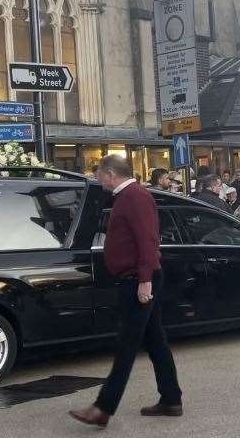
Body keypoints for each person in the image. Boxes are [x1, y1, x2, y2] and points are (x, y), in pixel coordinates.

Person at [68, 156, 182, 428]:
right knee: (155, 341)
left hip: (138, 278)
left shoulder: (134, 196)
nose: (96, 177)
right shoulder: (127, 196)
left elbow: (148, 240)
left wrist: (145, 280)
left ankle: (103, 407)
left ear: (109, 174)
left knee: (127, 344)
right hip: (137, 276)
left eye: (97, 173)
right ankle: (171, 399)